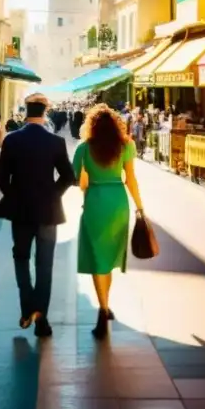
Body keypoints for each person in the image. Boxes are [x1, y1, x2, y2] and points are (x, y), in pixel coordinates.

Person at [0, 93, 75, 337]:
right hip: (48, 212)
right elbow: (68, 176)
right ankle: (42, 319)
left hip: (20, 211)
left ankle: (26, 307)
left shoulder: (12, 140)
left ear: (27, 112)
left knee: (20, 257)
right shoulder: (55, 142)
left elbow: (1, 175)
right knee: (45, 264)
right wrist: (53, 194)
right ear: (45, 112)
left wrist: (13, 195)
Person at [73, 104, 145, 339]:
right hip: (118, 204)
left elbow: (79, 181)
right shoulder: (126, 146)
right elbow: (131, 179)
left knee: (97, 260)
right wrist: (140, 208)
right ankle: (106, 306)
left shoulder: (83, 148)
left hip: (95, 202)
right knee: (108, 258)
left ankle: (102, 309)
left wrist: (88, 183)